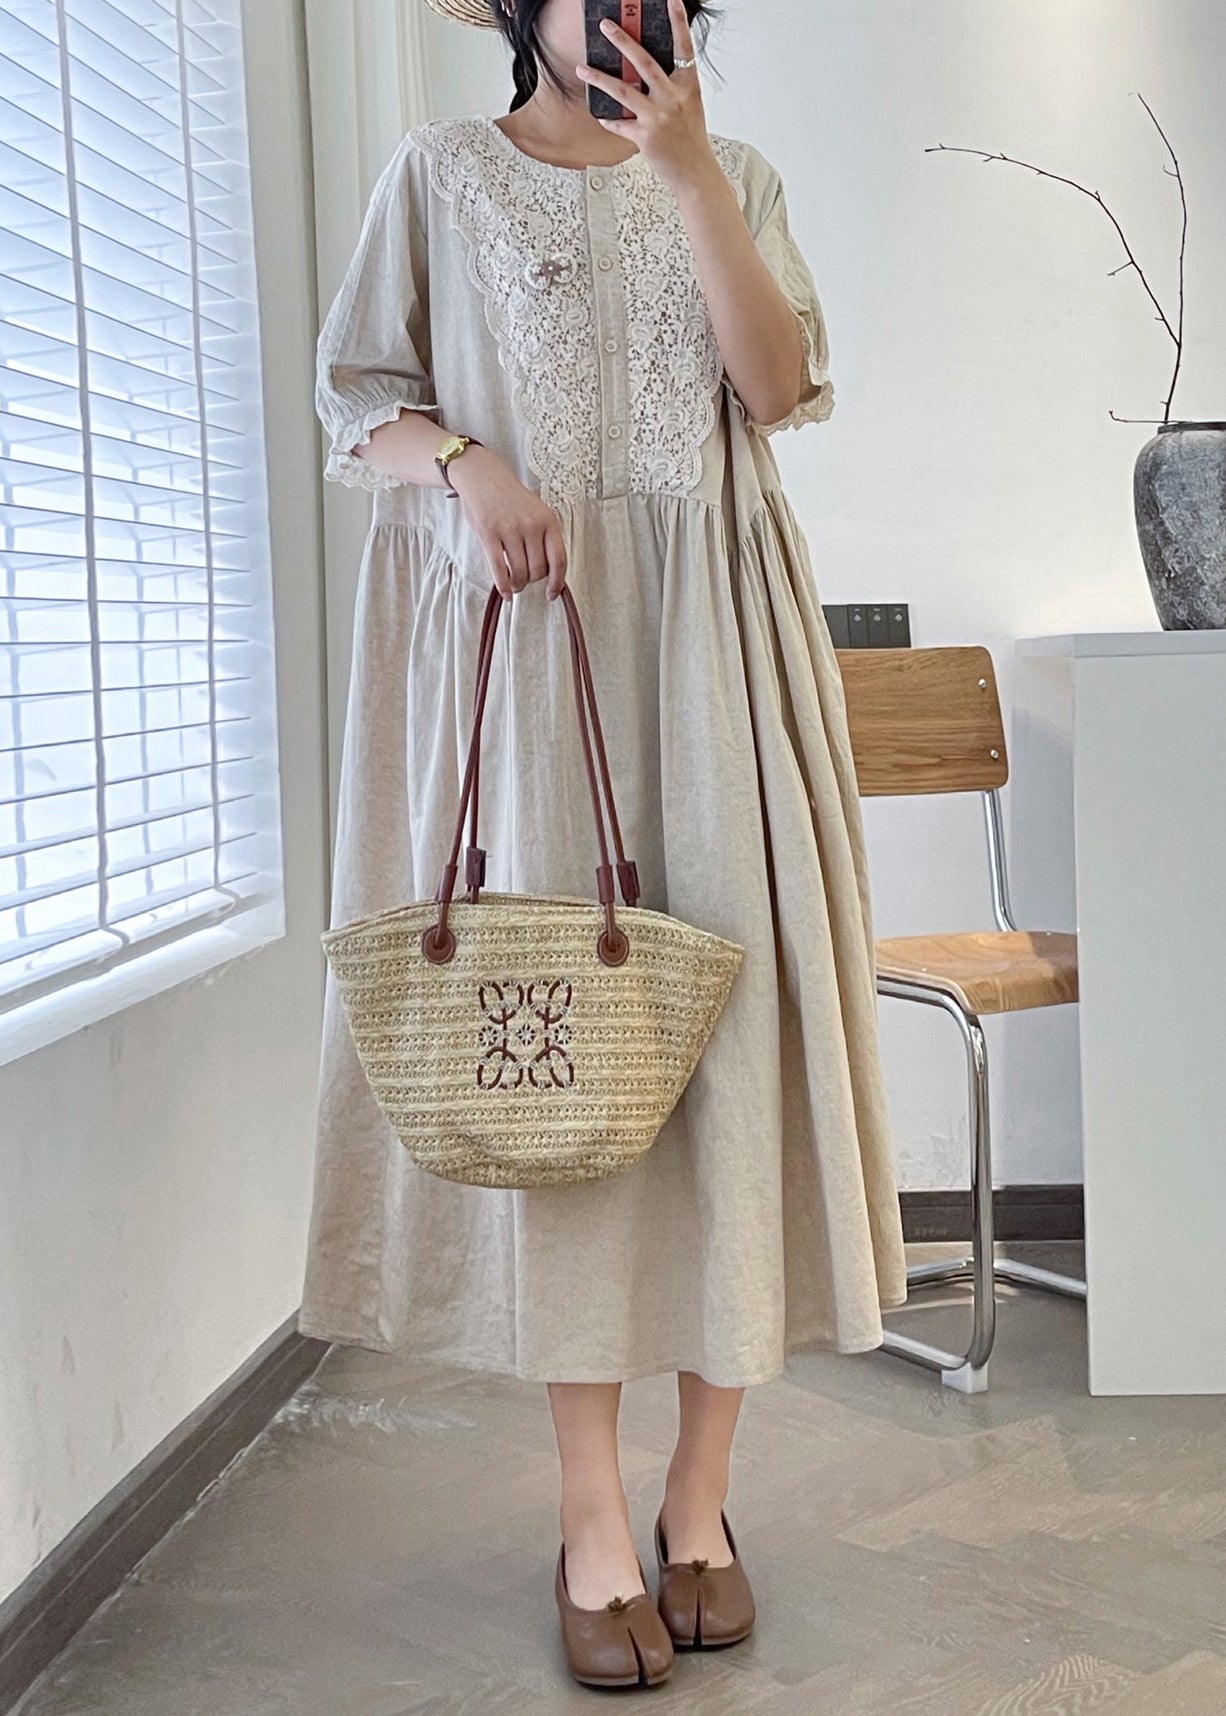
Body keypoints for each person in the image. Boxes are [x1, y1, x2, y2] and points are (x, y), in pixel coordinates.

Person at [301, 0, 908, 1690]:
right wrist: (465, 460)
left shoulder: (736, 172)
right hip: (535, 660)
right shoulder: (438, 174)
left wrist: (691, 171)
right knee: (560, 1075)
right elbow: (355, 405)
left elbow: (775, 390)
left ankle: (699, 1502)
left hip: (720, 665)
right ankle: (587, 1516)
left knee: (734, 1066)